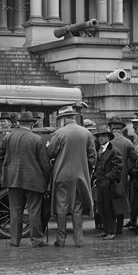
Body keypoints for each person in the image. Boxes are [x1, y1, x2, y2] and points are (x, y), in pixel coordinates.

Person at [0, 111, 52, 248]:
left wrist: (5, 171)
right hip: (34, 181)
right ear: (32, 124)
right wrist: (47, 180)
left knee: (15, 212)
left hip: (13, 180)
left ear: (19, 123)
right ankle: (36, 240)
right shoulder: (37, 139)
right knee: (34, 212)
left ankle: (15, 240)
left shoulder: (9, 137)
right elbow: (45, 164)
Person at [47, 105, 96, 247]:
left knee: (61, 206)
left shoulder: (59, 133)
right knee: (77, 207)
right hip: (80, 175)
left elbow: (51, 153)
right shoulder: (86, 133)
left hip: (62, 174)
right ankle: (78, 240)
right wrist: (87, 169)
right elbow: (92, 156)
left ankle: (61, 239)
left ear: (63, 119)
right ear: (74, 117)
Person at [92, 125, 130, 240]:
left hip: (109, 185)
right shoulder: (99, 150)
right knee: (101, 208)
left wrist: (107, 178)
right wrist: (95, 178)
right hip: (100, 184)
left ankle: (111, 231)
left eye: (104, 136)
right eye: (99, 136)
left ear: (109, 137)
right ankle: (105, 230)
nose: (101, 138)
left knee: (109, 209)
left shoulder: (114, 151)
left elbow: (118, 168)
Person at [107, 117, 138, 231]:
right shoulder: (128, 142)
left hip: (107, 175)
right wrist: (128, 168)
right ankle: (119, 227)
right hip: (122, 176)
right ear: (121, 128)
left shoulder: (106, 141)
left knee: (108, 200)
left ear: (111, 128)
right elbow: (135, 158)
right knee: (120, 199)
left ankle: (109, 227)